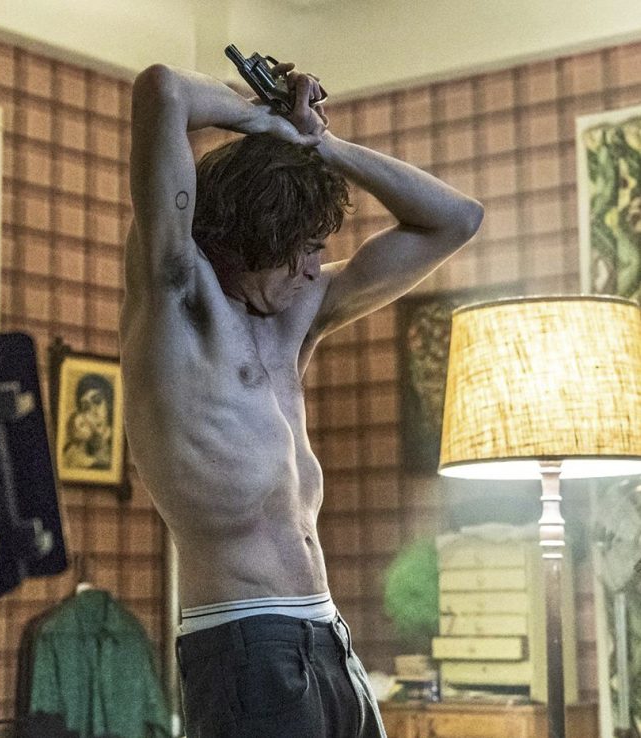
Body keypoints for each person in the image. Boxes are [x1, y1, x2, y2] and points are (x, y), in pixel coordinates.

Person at [119, 59, 483, 738]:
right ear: (247, 242)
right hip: (244, 644)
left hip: (329, 637)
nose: (316, 268)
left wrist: (321, 143)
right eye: (303, 250)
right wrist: (261, 118)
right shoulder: (177, 299)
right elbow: (162, 90)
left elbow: (457, 220)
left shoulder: (295, 316)